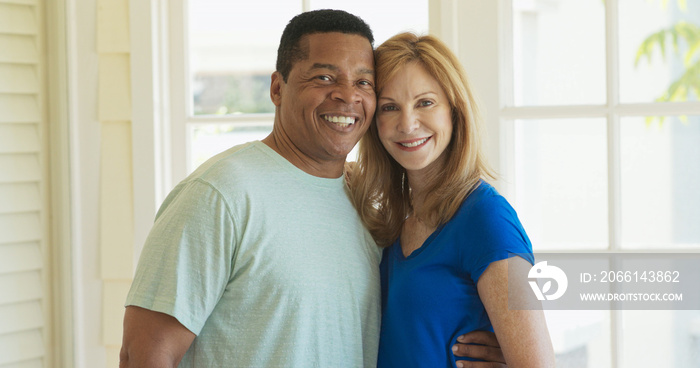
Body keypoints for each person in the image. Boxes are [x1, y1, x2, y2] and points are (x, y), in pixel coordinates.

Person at [119, 10, 505, 368]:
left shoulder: (368, 203)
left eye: (363, 82)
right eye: (324, 77)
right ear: (277, 88)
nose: (346, 95)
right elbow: (143, 355)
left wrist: (509, 349)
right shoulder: (219, 194)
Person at [349, 32, 556, 367]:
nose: (407, 123)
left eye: (425, 102)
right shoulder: (396, 223)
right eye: (390, 107)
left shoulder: (486, 218)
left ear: (454, 111)